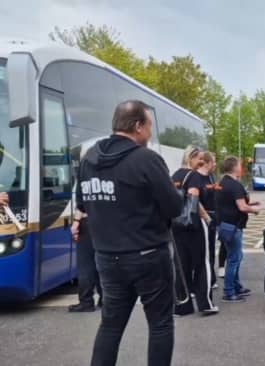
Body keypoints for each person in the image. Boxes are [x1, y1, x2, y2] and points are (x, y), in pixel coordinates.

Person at [76, 100, 183, 366]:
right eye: (149, 127)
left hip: (107, 256)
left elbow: (82, 204)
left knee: (110, 326)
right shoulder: (146, 159)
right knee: (160, 325)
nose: (151, 134)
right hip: (147, 255)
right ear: (137, 126)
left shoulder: (89, 158)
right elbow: (174, 207)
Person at [171, 146, 217, 316]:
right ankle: (205, 303)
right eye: (199, 159)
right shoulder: (194, 176)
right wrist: (207, 218)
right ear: (191, 158)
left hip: (176, 226)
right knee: (202, 264)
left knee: (181, 265)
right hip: (193, 225)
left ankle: (182, 306)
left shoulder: (174, 175)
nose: (201, 163)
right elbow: (194, 199)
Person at [215, 156, 260, 303]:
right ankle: (229, 291)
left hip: (224, 225)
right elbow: (241, 206)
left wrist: (250, 202)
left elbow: (230, 203)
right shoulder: (235, 185)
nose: (241, 167)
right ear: (234, 167)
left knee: (234, 257)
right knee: (234, 259)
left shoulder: (222, 183)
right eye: (240, 165)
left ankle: (237, 286)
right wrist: (254, 210)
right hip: (234, 227)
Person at [68, 209, 102, 312]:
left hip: (87, 221)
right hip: (107, 221)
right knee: (102, 262)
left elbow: (81, 205)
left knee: (85, 264)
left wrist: (76, 222)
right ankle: (105, 299)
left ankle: (86, 302)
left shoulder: (83, 192)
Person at [197, 151, 220, 287]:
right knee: (203, 250)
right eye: (213, 161)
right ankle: (203, 280)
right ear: (207, 162)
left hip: (213, 216)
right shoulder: (197, 178)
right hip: (203, 217)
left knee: (211, 249)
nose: (215, 164)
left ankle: (210, 277)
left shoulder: (210, 177)